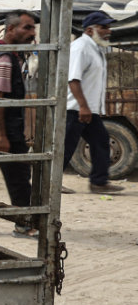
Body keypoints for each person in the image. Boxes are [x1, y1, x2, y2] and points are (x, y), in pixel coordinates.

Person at [0, 11, 38, 237]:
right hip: (1, 133)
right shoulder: (3, 58)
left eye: (32, 28)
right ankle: (24, 224)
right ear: (11, 29)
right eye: (27, 28)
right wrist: (1, 135)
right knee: (19, 178)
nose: (32, 33)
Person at [65, 11, 125, 194]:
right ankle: (48, 184)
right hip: (75, 109)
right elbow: (73, 80)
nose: (109, 31)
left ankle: (98, 182)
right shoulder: (80, 47)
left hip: (88, 110)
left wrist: (94, 108)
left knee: (101, 142)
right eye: (104, 27)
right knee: (65, 148)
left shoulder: (95, 48)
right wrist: (83, 106)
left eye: (108, 27)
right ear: (90, 30)